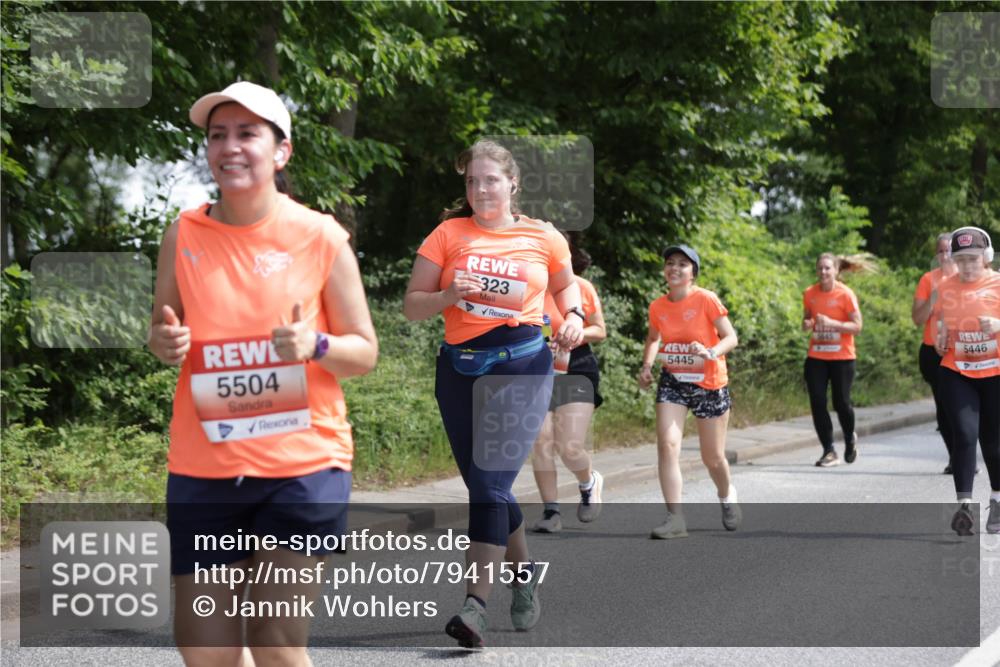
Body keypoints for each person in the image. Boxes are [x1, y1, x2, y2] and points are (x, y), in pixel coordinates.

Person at [149, 81, 378, 667]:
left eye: (247, 133)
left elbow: (364, 351)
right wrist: (165, 341)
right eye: (217, 134)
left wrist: (315, 342)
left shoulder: (320, 237)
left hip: (301, 465)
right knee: (206, 650)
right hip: (204, 466)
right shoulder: (184, 234)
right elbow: (163, 329)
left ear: (281, 151)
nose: (230, 146)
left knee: (273, 642)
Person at [403, 139, 584, 648]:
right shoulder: (447, 234)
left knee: (487, 485)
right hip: (459, 373)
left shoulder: (542, 237)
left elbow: (567, 287)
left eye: (489, 179)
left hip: (523, 366)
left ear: (512, 183)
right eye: (471, 181)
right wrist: (447, 295)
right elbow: (412, 306)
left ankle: (474, 607)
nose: (480, 189)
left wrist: (573, 316)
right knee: (490, 489)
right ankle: (523, 577)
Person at [638, 244, 740, 539]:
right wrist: (646, 366)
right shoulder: (657, 306)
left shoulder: (706, 299)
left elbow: (731, 337)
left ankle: (726, 495)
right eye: (670, 263)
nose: (675, 268)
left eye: (683, 264)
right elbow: (654, 337)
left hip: (709, 383)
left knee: (713, 458)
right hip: (674, 381)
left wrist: (710, 351)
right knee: (667, 445)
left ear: (692, 273)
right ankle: (675, 518)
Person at [530, 237, 607, 533]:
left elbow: (600, 330)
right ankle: (551, 512)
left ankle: (589, 482)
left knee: (569, 445)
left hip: (576, 368)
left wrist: (575, 332)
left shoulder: (580, 286)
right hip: (536, 371)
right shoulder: (529, 286)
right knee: (540, 440)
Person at [933, 226, 1000, 536]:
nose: (967, 266)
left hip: (995, 372)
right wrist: (941, 335)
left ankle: (997, 501)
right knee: (964, 432)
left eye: (973, 259)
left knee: (992, 439)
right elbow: (942, 325)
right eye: (961, 260)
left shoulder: (998, 283)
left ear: (985, 257)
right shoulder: (946, 287)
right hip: (957, 369)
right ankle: (965, 507)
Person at [802, 253, 871, 467]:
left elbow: (857, 327)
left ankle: (850, 437)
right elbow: (806, 319)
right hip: (817, 355)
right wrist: (807, 324)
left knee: (841, 403)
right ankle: (829, 450)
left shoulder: (845, 294)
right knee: (817, 401)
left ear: (836, 271)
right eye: (820, 268)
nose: (823, 272)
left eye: (827, 268)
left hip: (842, 357)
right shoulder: (809, 293)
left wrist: (833, 323)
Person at [912, 233, 959, 473]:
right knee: (943, 405)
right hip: (932, 352)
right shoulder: (928, 280)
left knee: (960, 405)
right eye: (940, 251)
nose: (944, 256)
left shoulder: (967, 278)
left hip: (960, 350)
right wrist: (934, 296)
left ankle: (965, 453)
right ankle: (956, 458)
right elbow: (917, 319)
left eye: (949, 250)